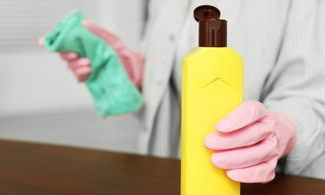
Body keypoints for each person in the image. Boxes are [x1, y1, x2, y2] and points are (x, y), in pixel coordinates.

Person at [41, 0, 325, 181]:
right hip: (164, 180)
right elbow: (173, 80)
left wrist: (281, 130)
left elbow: (310, 99)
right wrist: (139, 75)